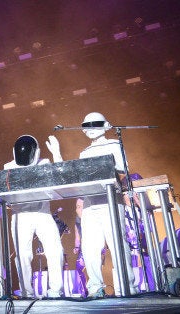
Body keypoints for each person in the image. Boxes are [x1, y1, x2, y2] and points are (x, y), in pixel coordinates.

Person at [51, 112, 138, 298]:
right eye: (86, 125)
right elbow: (75, 177)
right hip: (90, 203)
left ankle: (127, 286)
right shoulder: (85, 153)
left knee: (118, 244)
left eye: (94, 124)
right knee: (89, 246)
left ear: (106, 125)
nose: (89, 128)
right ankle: (95, 287)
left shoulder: (115, 145)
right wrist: (57, 156)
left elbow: (123, 171)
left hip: (110, 201)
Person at [4, 134, 65, 298]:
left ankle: (55, 291)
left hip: (42, 213)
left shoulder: (44, 163)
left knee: (55, 250)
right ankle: (26, 292)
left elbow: (62, 178)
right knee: (23, 255)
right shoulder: (8, 167)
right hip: (20, 215)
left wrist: (57, 155)